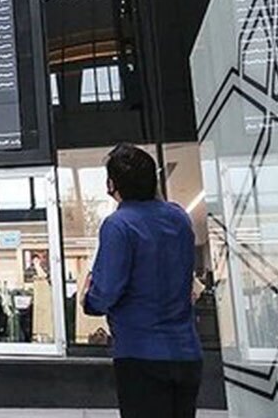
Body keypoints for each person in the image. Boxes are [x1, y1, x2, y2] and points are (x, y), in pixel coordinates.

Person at [83, 144, 202, 418]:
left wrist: (88, 300)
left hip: (141, 354)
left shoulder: (118, 224)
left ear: (111, 184)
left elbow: (106, 291)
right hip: (186, 352)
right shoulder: (179, 217)